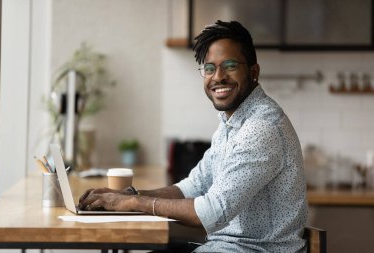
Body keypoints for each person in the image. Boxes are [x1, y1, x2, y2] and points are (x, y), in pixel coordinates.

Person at [79, 20, 308, 253]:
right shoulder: (230, 124)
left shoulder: (261, 127)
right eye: (209, 68)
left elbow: (211, 212)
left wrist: (133, 203)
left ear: (253, 72)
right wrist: (127, 196)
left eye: (229, 66)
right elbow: (193, 186)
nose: (218, 77)